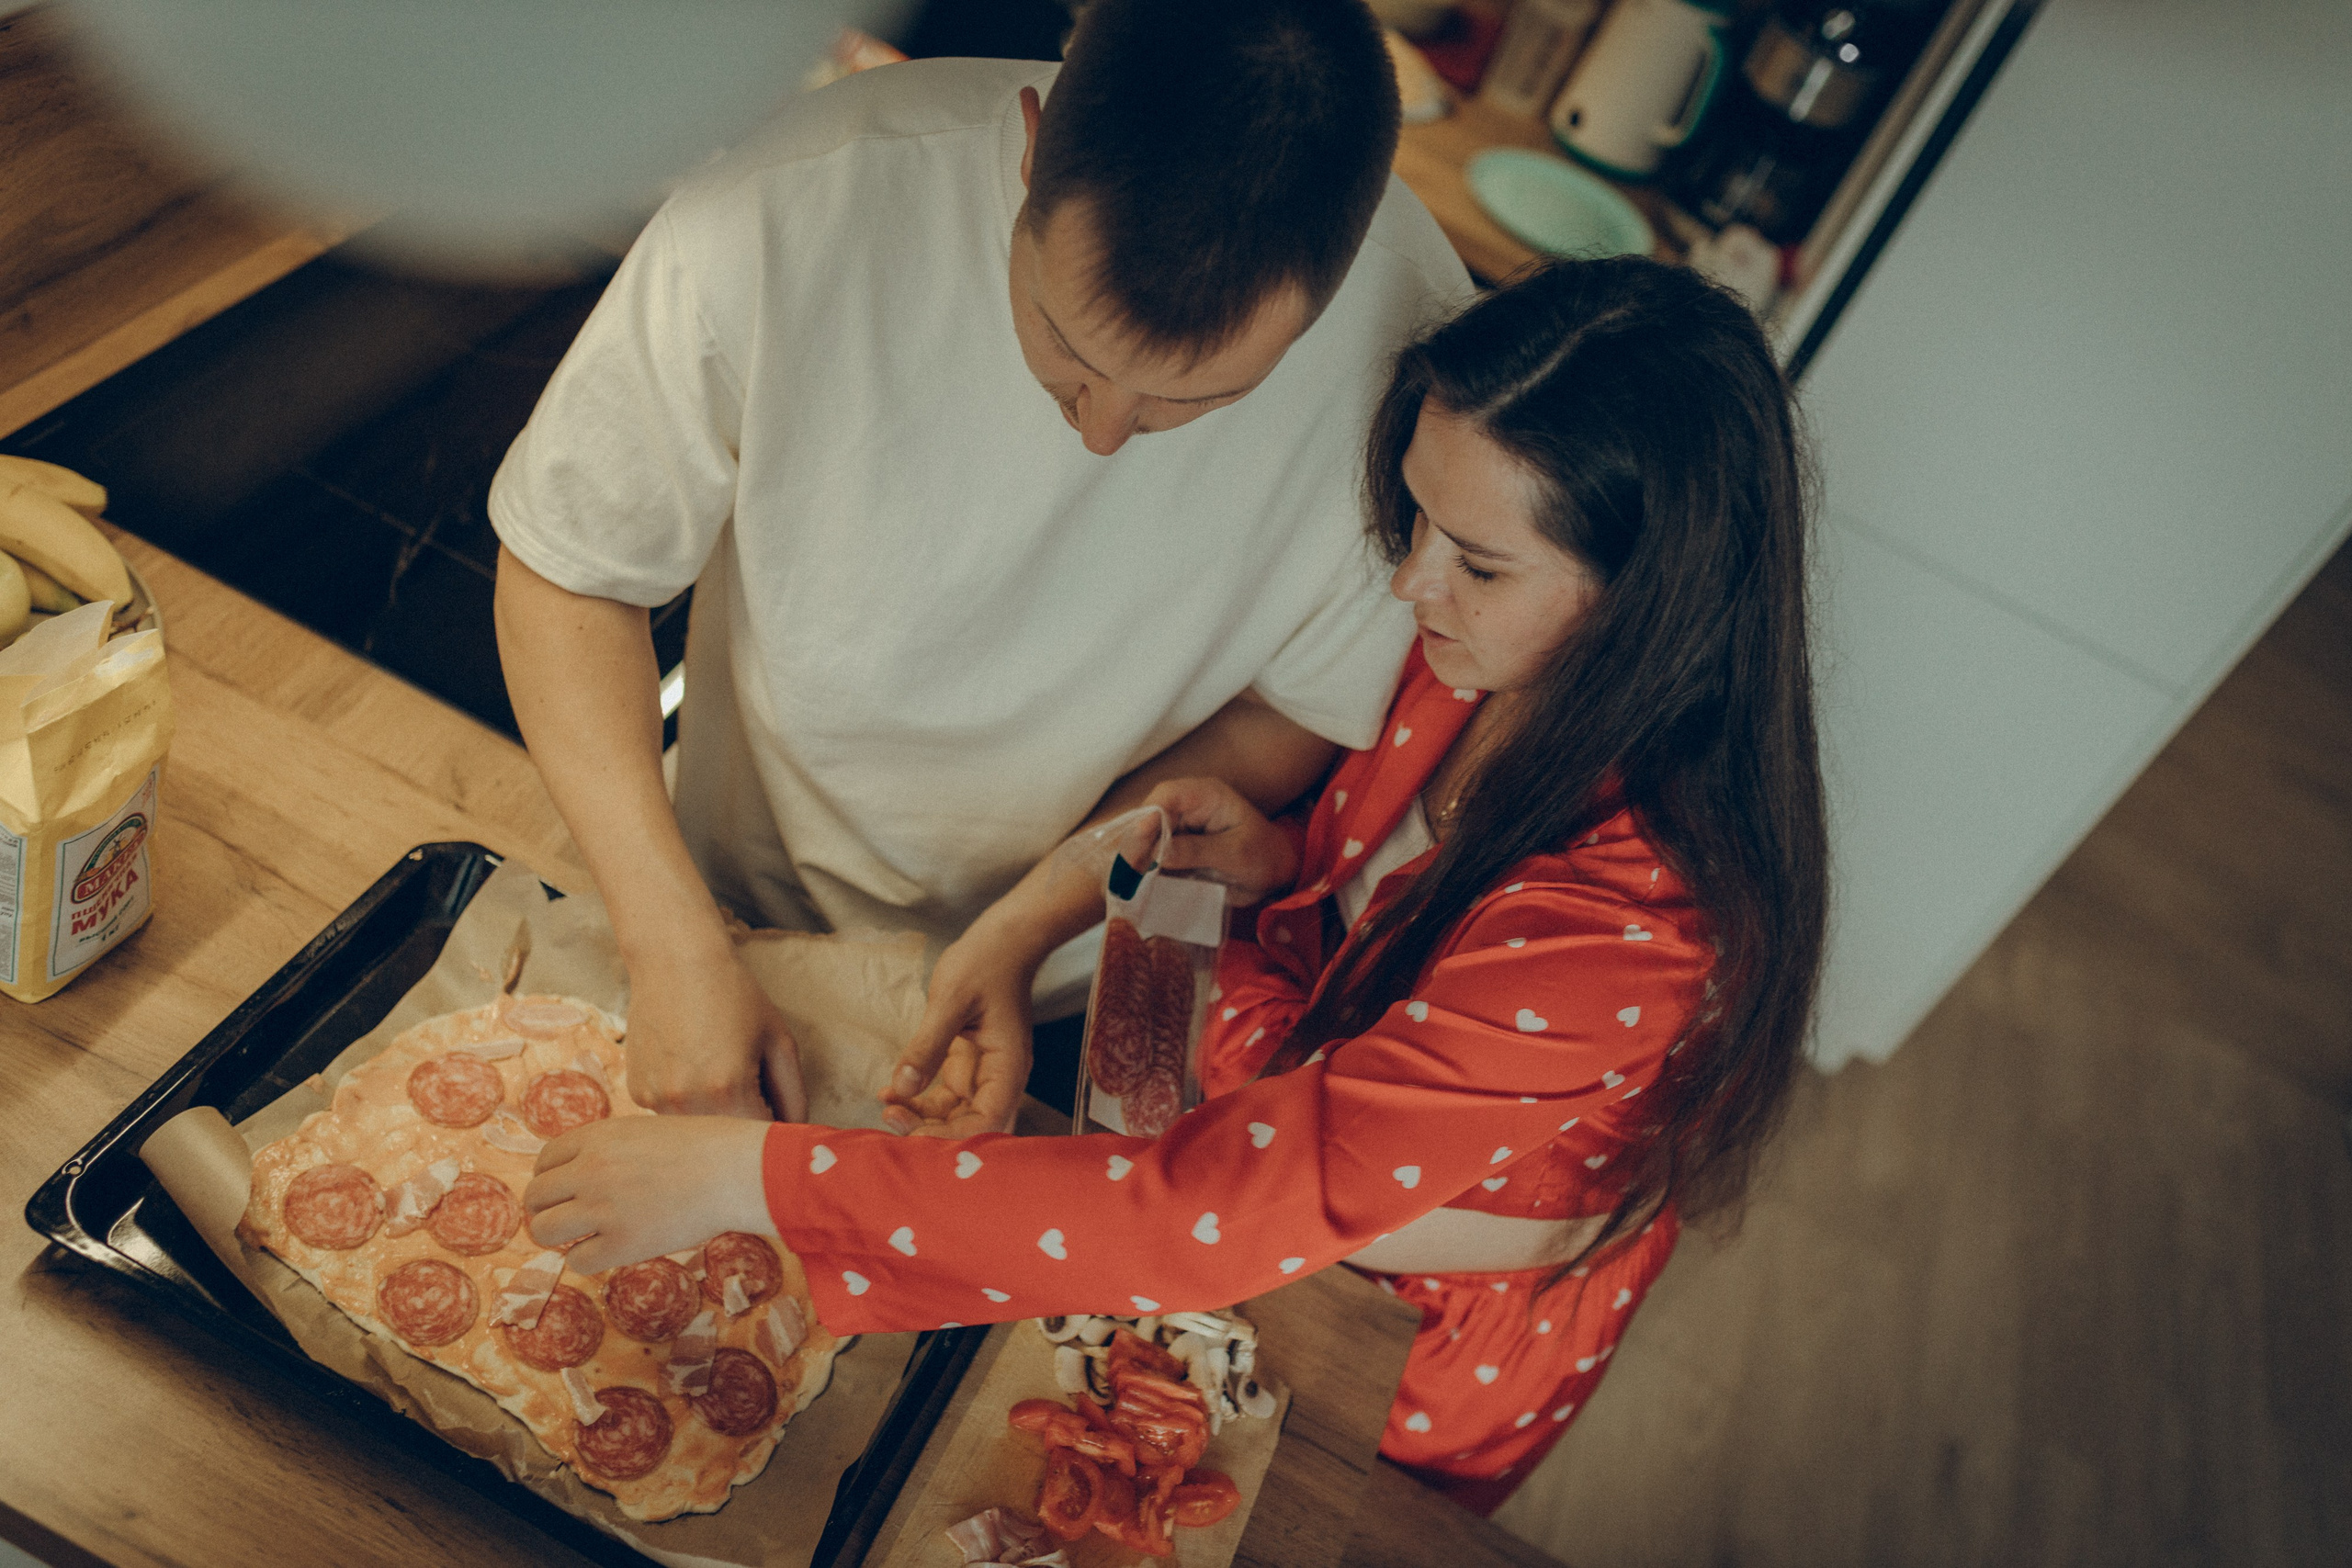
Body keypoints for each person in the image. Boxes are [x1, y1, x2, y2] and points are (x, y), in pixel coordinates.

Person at [524, 255, 1829, 1513]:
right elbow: (1387, 893)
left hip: (1395, 1324)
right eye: (1419, 518)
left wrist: (752, 1177)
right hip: (1251, 1161)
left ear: (1650, 598)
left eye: (1477, 561)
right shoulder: (1491, 653)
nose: (1408, 579)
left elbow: (1205, 1211)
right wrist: (1274, 865)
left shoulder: (1643, 922)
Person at [488, 0, 1471, 1133]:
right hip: (707, 889)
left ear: (1339, 287)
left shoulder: (1421, 367)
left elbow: (1289, 711)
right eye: (1067, 344)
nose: (1103, 431)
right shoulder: (795, 199)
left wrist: (1033, 919)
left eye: (1194, 400)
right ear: (1031, 142)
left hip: (1058, 971)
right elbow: (572, 574)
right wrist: (670, 943)